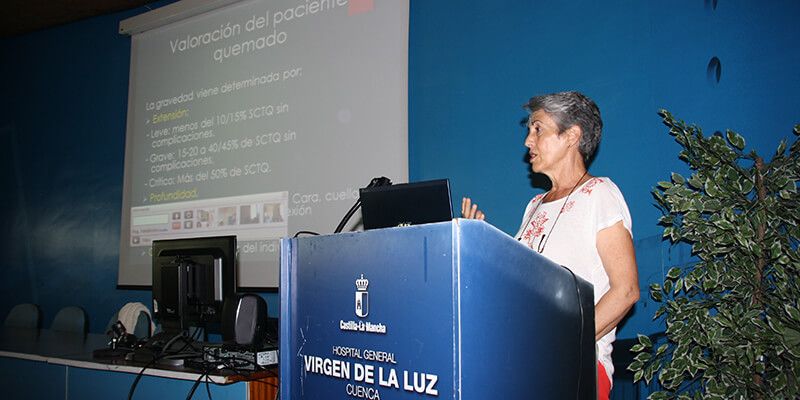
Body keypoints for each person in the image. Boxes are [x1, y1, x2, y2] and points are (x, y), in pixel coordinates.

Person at [461, 91, 639, 400]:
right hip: (525, 366)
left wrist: (565, 344)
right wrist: (479, 242)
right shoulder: (534, 205)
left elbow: (626, 291)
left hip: (574, 369)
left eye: (537, 129)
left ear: (571, 136)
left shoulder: (600, 194)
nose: (527, 141)